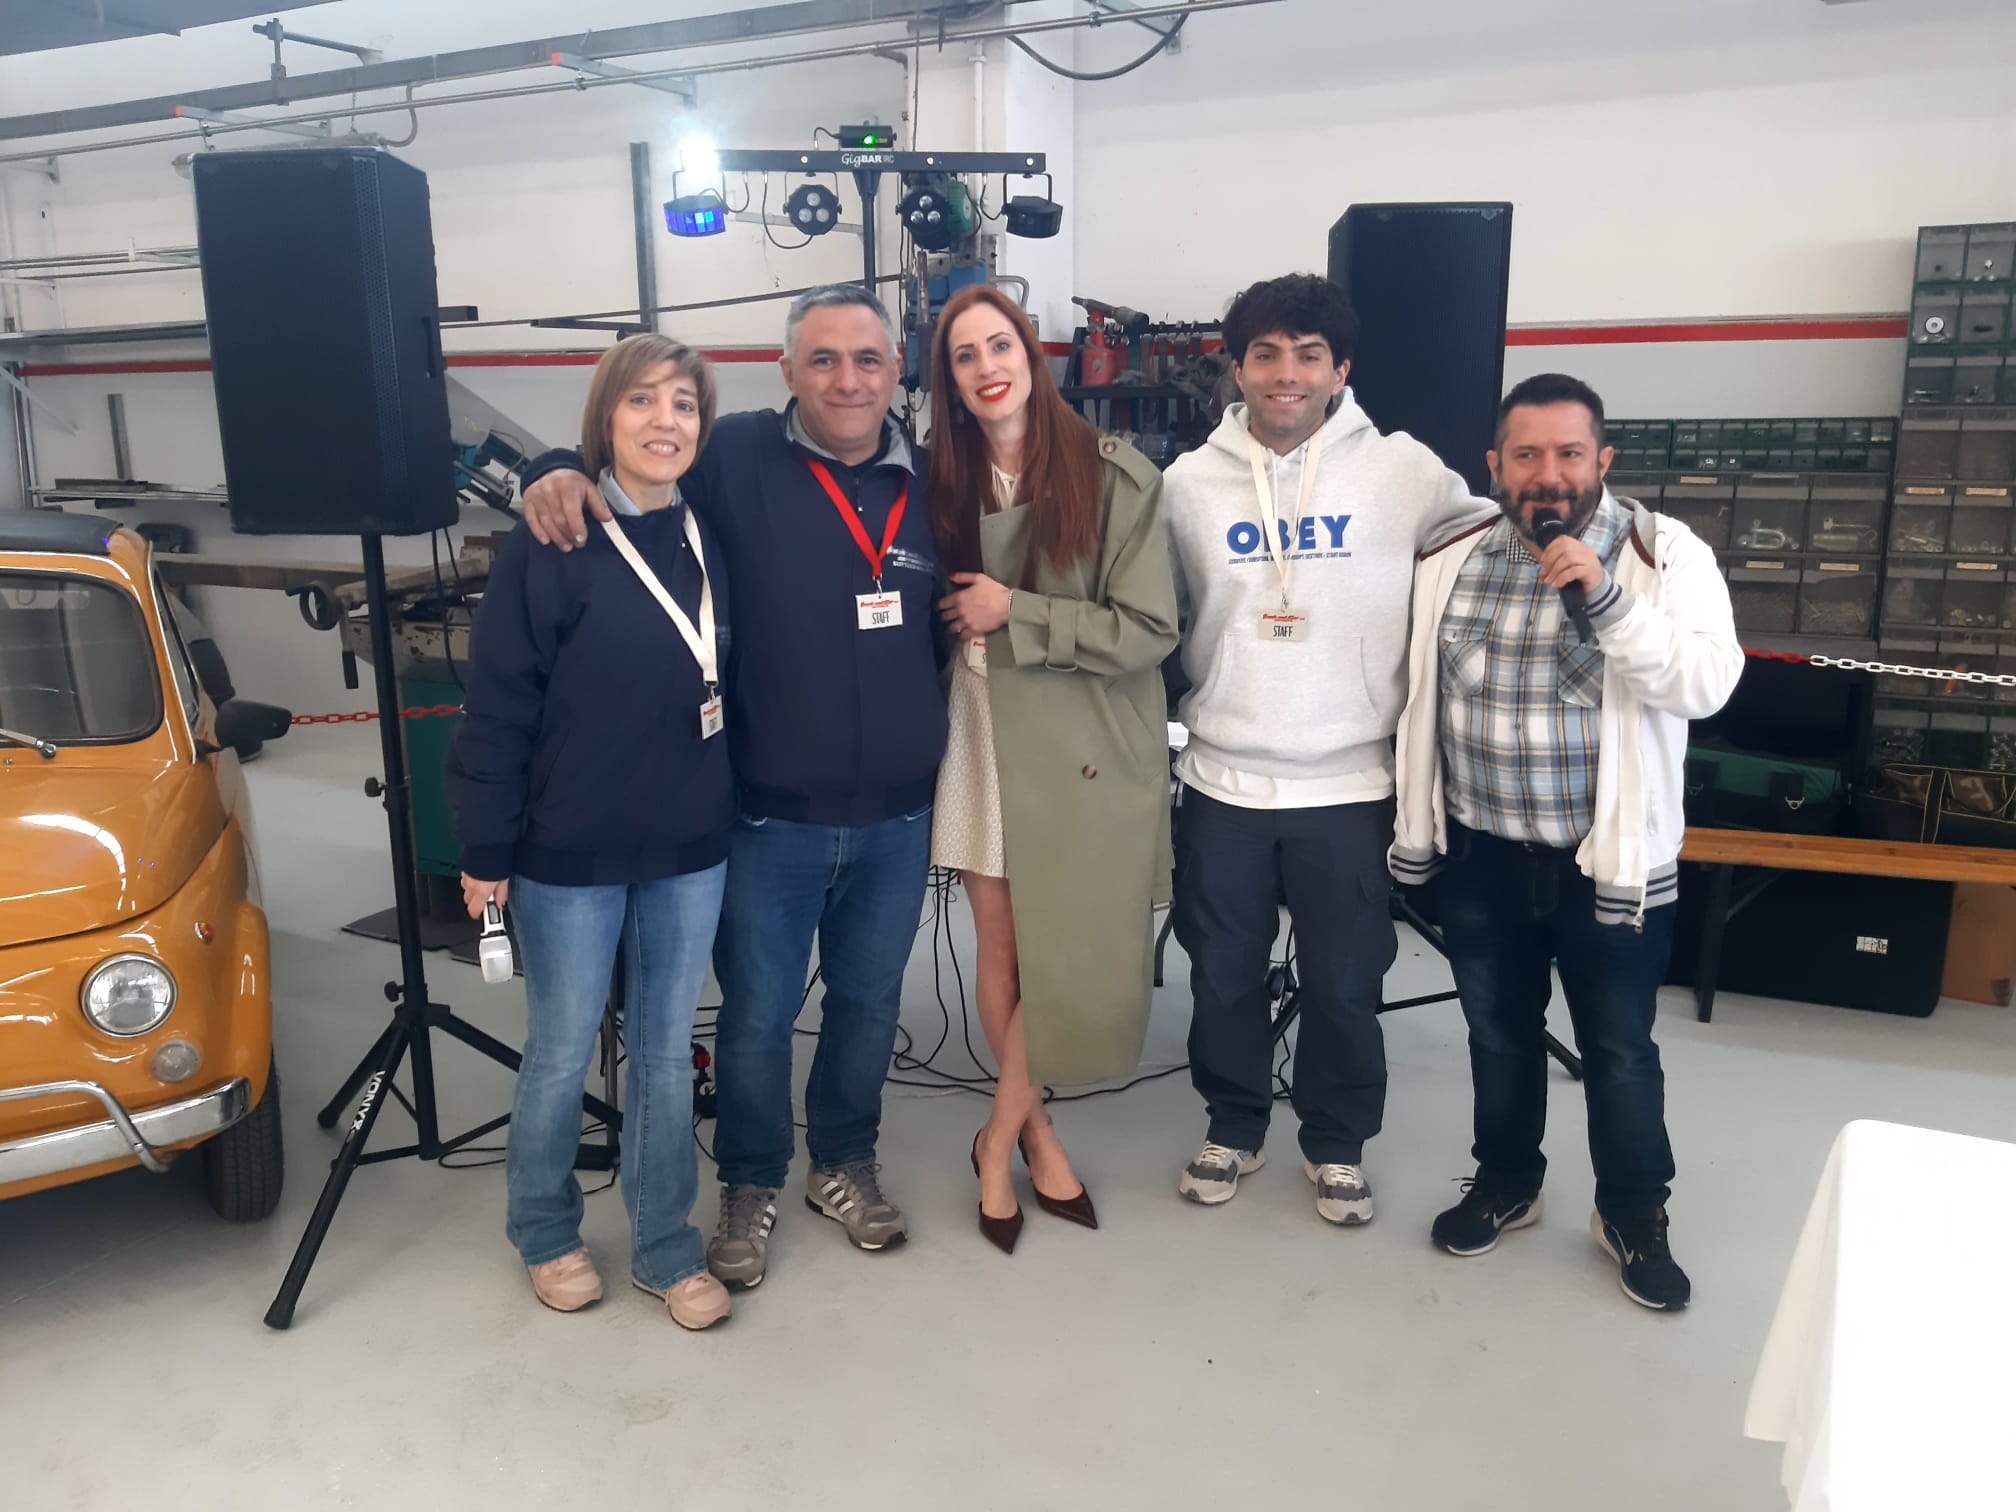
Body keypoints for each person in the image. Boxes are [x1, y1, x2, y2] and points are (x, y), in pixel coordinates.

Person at [514, 285, 946, 1292]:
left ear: (897, 372)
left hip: (897, 815)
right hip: (766, 813)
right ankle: (749, 1181)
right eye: (823, 359)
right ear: (786, 370)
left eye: (869, 360)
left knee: (869, 1004)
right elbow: (633, 455)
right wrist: (551, 469)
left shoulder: (935, 479)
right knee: (755, 1014)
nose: (848, 379)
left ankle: (843, 1162)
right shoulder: (733, 455)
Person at [1391, 372, 1742, 1311]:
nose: (1549, 474)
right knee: (1497, 1033)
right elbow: (1416, 694)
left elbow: (1707, 682)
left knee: (1619, 1049)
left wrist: (1610, 601)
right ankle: (1508, 1181)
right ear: (1494, 465)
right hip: (1482, 857)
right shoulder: (1452, 556)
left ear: (1603, 460)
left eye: (1570, 454)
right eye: (1528, 455)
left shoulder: (1663, 554)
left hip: (1606, 866)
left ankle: (1632, 1210)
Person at [1162, 273, 1494, 1226]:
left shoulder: (1404, 471)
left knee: (1345, 984)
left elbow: (1490, 541)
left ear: (1341, 370)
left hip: (1349, 781)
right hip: (1222, 778)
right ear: (1237, 369)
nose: (1287, 373)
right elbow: (1153, 608)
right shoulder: (1186, 486)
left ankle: (1336, 1141)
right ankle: (1234, 1124)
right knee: (1221, 975)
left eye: (1309, 355)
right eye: (1265, 353)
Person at [446, 335, 733, 1329]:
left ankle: (663, 1246)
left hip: (688, 844)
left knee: (663, 1052)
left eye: (684, 404)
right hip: (570, 847)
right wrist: (486, 849)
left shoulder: (706, 530)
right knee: (564, 1049)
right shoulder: (553, 539)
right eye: (642, 401)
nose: (666, 421)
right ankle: (545, 1231)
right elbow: (499, 705)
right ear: (605, 418)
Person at [925, 284, 1178, 1254]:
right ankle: (1030, 1134)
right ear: (948, 379)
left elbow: (1148, 630)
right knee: (999, 945)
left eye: (1001, 346)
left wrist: (1015, 612)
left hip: (1081, 745)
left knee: (1069, 947)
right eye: (964, 355)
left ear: (1033, 356)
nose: (986, 368)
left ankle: (994, 1140)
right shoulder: (940, 478)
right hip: (982, 725)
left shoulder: (1114, 477)